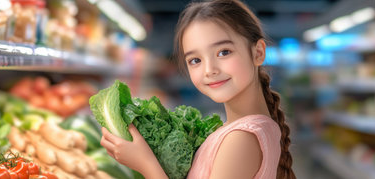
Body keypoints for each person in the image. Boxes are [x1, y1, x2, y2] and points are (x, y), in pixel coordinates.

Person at [99, 0, 295, 178]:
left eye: (223, 52)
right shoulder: (244, 129)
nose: (209, 70)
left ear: (258, 53)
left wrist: (146, 163)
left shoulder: (240, 140)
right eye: (195, 60)